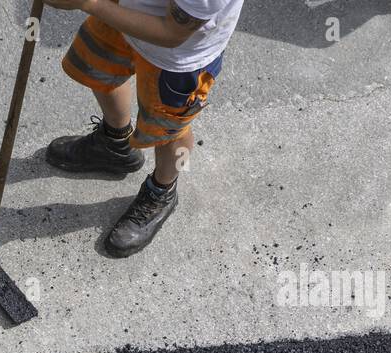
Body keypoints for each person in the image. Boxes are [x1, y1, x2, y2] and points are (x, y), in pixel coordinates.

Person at [43, 1, 243, 257]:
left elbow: (172, 34)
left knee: (170, 131)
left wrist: (87, 3)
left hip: (176, 58)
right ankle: (115, 144)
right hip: (122, 10)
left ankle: (162, 191)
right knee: (100, 69)